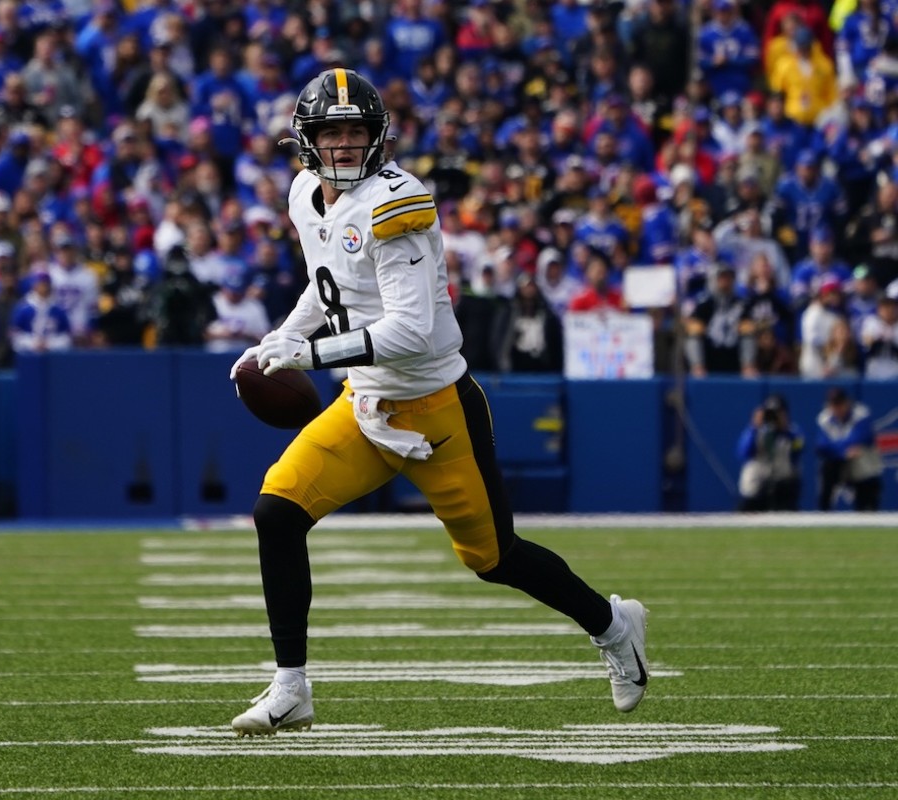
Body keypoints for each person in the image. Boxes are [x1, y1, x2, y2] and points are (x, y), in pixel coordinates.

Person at [226, 69, 649, 737]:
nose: (342, 145)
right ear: (307, 142)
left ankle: (614, 625)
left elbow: (410, 331)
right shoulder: (307, 194)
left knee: (493, 558)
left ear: (378, 137)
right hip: (364, 402)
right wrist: (284, 334)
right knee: (276, 511)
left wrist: (305, 356)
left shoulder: (398, 202)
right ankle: (291, 686)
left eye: (354, 131)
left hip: (434, 404)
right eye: (330, 132)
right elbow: (329, 283)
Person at [815, 387, 883, 511]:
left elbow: (858, 438)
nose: (837, 408)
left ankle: (867, 510)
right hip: (839, 462)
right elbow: (821, 446)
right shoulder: (825, 418)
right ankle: (823, 512)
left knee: (861, 458)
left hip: (861, 466)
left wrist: (835, 447)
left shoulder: (861, 414)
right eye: (834, 404)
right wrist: (842, 452)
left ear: (847, 402)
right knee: (827, 467)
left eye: (840, 403)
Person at [736, 395, 803, 511]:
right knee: (750, 471)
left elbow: (800, 447)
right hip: (761, 482)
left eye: (777, 413)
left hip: (783, 483)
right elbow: (743, 452)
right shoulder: (758, 431)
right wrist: (754, 427)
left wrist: (784, 430)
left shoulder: (793, 431)